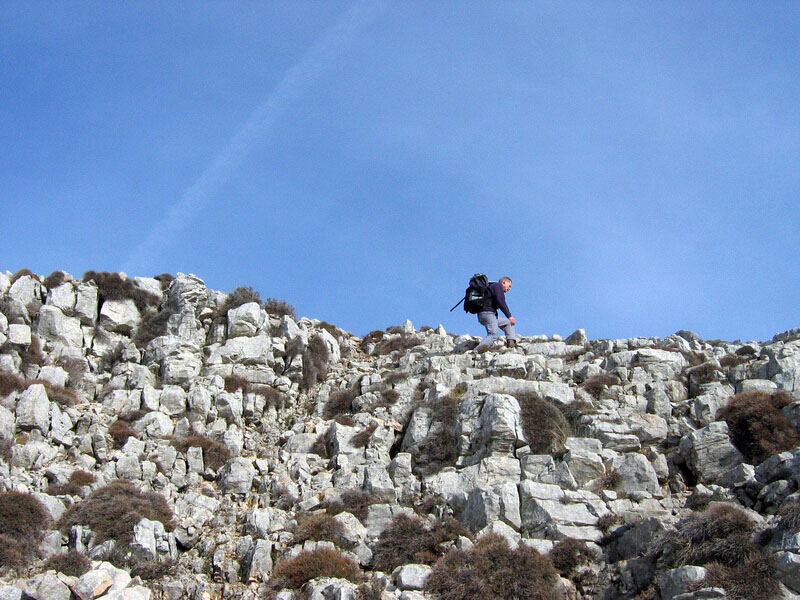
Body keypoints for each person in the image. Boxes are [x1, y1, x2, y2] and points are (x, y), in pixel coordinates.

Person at [475, 276, 517, 352]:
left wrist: (505, 320)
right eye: (509, 286)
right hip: (488, 314)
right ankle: (476, 351)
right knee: (493, 335)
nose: (509, 289)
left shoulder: (492, 287)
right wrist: (509, 316)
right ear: (504, 282)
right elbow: (501, 302)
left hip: (484, 315)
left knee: (508, 322)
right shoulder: (498, 286)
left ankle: (511, 344)